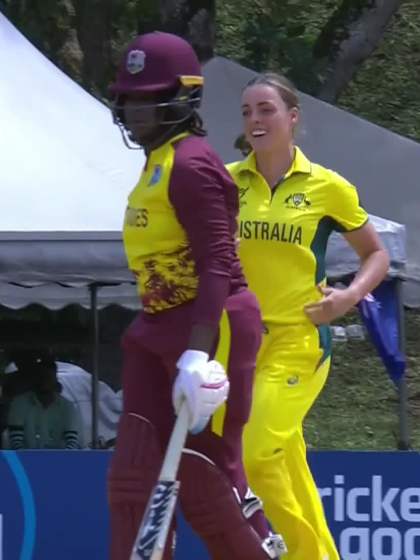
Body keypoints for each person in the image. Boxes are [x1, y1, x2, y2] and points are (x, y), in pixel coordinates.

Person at [107, 33, 285, 560]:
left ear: (185, 96)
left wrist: (198, 353)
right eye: (131, 99)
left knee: (209, 481)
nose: (137, 111)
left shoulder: (191, 163)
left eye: (151, 97)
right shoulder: (156, 162)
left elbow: (216, 265)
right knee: (132, 480)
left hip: (212, 323)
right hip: (156, 325)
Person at [227, 73, 390, 560]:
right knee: (287, 465)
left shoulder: (327, 187)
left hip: (299, 343)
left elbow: (377, 255)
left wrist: (349, 296)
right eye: (247, 112)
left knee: (254, 456)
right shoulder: (227, 180)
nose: (255, 120)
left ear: (293, 117)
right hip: (237, 346)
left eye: (266, 109)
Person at [6, 358, 80, 450]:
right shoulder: (19, 404)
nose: (44, 381)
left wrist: (60, 459)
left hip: (60, 461)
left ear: (55, 379)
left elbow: (72, 442)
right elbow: (15, 442)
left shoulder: (67, 407)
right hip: (24, 460)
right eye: (40, 377)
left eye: (48, 377)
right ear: (34, 379)